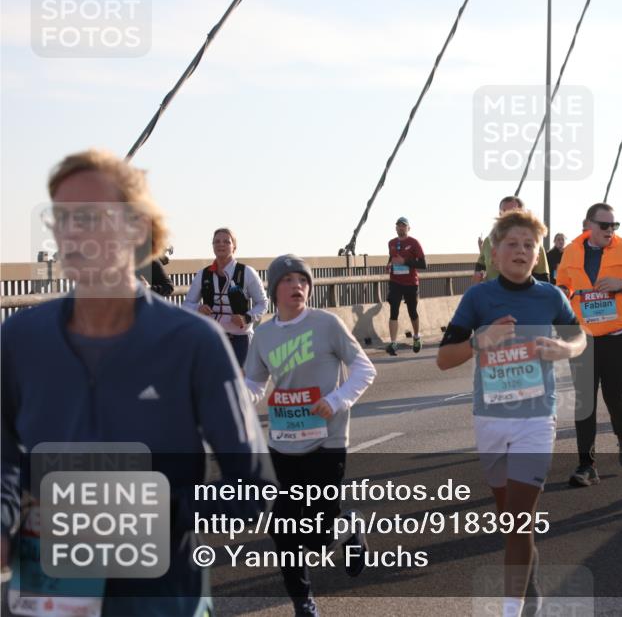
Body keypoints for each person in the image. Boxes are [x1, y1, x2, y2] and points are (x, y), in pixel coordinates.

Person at [2, 149, 272, 617]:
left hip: (163, 599)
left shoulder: (194, 342)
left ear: (138, 229)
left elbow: (251, 487)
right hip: (49, 598)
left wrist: (159, 509)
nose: (74, 234)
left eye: (92, 217)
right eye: (63, 219)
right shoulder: (18, 340)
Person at [438, 210, 585, 617]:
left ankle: (511, 609)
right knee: (510, 522)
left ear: (538, 254)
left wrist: (565, 349)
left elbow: (578, 337)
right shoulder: (477, 298)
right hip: (490, 419)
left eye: (529, 245)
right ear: (495, 253)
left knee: (520, 520)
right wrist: (479, 341)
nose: (521, 250)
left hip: (537, 419)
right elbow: (443, 360)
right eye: (512, 244)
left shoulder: (551, 296)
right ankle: (529, 579)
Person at [244, 254, 376, 615]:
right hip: (283, 443)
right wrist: (233, 399)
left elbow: (365, 369)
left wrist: (336, 400)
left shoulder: (327, 324)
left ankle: (348, 527)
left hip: (326, 441)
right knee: (284, 529)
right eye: (287, 281)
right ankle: (303, 603)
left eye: (302, 280)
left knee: (318, 537)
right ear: (273, 289)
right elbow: (255, 382)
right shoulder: (265, 335)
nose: (296, 286)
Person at [556, 203, 622, 487]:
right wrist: (563, 291)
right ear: (589, 225)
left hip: (618, 334)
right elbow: (564, 282)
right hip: (583, 335)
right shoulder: (571, 251)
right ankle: (587, 465)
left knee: (613, 396)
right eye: (604, 226)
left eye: (614, 226)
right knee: (584, 400)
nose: (610, 231)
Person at [183, 227, 268, 366]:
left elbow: (263, 303)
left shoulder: (247, 272)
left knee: (240, 383)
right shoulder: (203, 274)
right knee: (211, 383)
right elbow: (187, 304)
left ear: (234, 247)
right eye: (216, 241)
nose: (221, 244)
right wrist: (198, 308)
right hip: (212, 337)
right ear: (212, 246)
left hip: (240, 339)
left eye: (226, 241)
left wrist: (246, 317)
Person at [475, 196, 550, 283]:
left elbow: (543, 279)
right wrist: (478, 274)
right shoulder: (489, 241)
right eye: (503, 212)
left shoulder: (533, 244)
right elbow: (481, 264)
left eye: (512, 212)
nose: (506, 217)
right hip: (492, 295)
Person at [386, 216, 427, 356]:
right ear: (395, 228)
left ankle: (416, 337)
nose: (400, 227)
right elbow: (391, 258)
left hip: (410, 283)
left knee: (412, 312)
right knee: (393, 310)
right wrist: (389, 264)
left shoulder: (414, 243)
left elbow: (423, 264)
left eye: (403, 225)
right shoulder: (391, 243)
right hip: (395, 282)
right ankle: (393, 343)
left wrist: (405, 261)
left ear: (408, 228)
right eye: (398, 225)